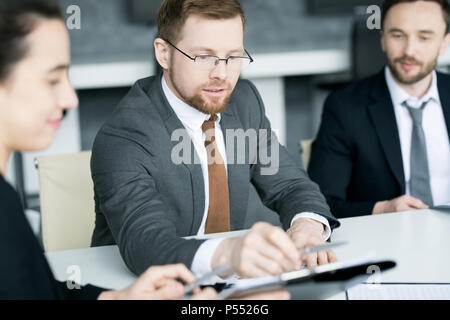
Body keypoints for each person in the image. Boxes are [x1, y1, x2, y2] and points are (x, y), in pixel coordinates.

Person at [91, 0, 340, 283]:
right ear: (163, 53)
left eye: (233, 57)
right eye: (203, 57)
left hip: (228, 285)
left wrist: (306, 226)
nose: (221, 74)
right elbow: (147, 244)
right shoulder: (125, 135)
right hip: (141, 289)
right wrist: (229, 253)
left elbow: (290, 184)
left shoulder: (244, 103)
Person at [0, 0, 219, 300]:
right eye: (52, 79)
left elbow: (39, 292)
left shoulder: (5, 199)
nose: (69, 99)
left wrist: (119, 298)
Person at [308, 0, 450, 218]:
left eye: (424, 37)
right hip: (388, 238)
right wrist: (381, 209)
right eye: (397, 35)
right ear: (383, 39)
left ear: (444, 42)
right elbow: (320, 203)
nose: (409, 50)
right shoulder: (344, 107)